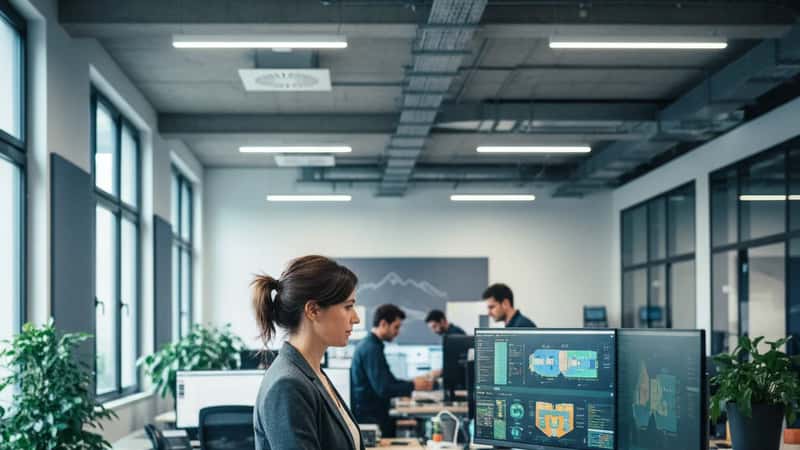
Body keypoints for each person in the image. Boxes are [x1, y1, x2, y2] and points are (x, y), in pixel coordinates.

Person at [252, 255, 365, 450]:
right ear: (313, 310)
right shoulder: (287, 385)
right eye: (348, 307)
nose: (356, 319)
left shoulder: (312, 373)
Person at [351, 304, 434, 437]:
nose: (398, 332)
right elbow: (383, 388)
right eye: (396, 327)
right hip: (372, 419)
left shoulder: (372, 345)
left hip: (374, 415)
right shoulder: (371, 348)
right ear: (383, 324)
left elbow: (388, 381)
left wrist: (412, 384)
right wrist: (412, 385)